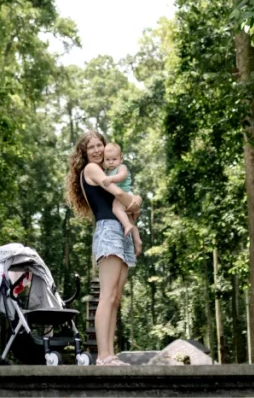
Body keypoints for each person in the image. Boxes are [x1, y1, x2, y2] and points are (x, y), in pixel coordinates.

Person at [66, 130, 142, 366]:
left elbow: (123, 201)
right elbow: (117, 192)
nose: (98, 150)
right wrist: (136, 200)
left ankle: (110, 354)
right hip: (108, 230)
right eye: (92, 147)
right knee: (106, 296)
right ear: (84, 153)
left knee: (116, 298)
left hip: (121, 231)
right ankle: (103, 355)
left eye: (100, 145)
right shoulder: (91, 169)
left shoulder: (109, 169)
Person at [101, 142, 143, 257]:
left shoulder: (121, 167)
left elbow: (122, 176)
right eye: (107, 159)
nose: (111, 162)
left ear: (121, 158)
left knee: (116, 209)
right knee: (130, 219)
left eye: (114, 159)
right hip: (122, 198)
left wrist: (111, 179)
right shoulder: (106, 171)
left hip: (126, 194)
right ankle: (137, 240)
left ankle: (126, 225)